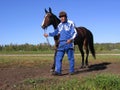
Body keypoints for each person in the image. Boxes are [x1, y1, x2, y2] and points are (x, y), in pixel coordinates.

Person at [44, 11, 77, 75]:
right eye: (61, 17)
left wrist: (71, 39)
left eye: (63, 17)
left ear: (66, 17)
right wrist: (48, 34)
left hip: (68, 43)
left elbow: (75, 33)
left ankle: (72, 71)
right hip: (61, 43)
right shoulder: (59, 25)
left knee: (70, 58)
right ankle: (58, 71)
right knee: (58, 57)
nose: (62, 18)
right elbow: (56, 32)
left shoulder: (71, 23)